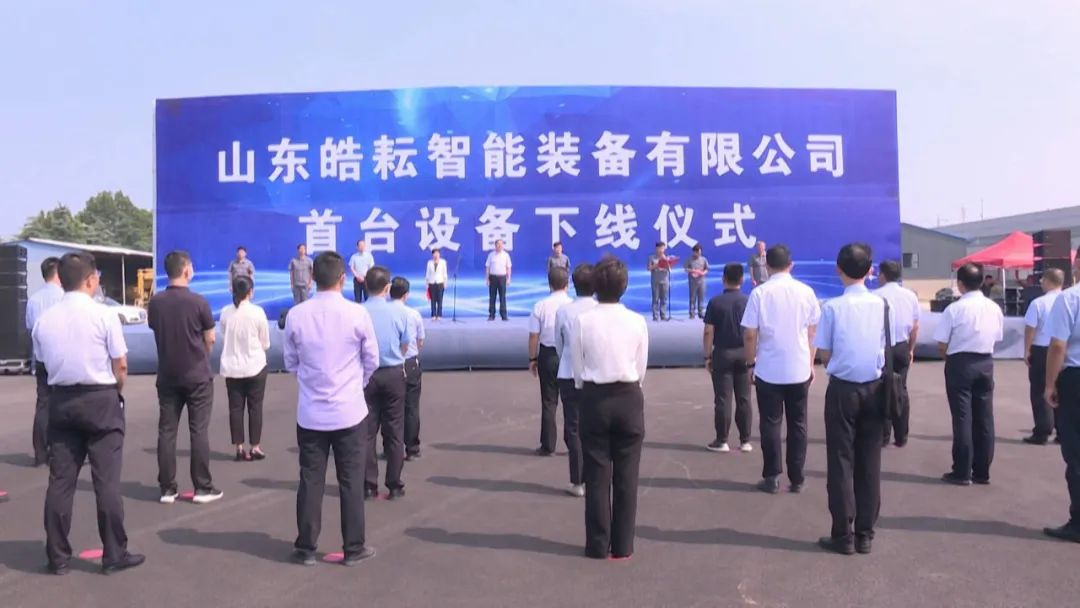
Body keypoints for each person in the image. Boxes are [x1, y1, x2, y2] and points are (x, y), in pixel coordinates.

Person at [32, 252, 144, 575]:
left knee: (60, 481)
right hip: (100, 399)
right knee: (106, 481)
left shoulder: (44, 321)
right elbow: (120, 364)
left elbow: (44, 363)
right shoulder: (103, 315)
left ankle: (57, 556)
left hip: (62, 401)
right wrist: (116, 390)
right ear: (90, 280)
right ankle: (114, 553)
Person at [284, 251, 379, 566]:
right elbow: (372, 360)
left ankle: (306, 547)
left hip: (312, 413)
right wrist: (355, 384)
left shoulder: (297, 315)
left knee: (311, 480)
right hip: (349, 412)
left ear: (312, 278)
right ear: (343, 278)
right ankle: (354, 547)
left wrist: (312, 382)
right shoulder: (357, 314)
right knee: (351, 480)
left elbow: (290, 362)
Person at [571, 256, 648, 560]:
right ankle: (623, 545)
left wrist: (588, 385)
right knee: (627, 476)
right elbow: (641, 367)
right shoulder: (637, 321)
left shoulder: (583, 321)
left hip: (595, 397)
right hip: (629, 396)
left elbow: (578, 368)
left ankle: (598, 545)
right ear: (624, 286)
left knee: (596, 474)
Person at [814, 243, 888, 556]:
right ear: (870, 270)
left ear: (838, 269)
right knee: (870, 462)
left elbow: (824, 351)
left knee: (841, 461)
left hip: (843, 390)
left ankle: (843, 534)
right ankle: (865, 534)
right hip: (875, 388)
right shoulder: (882, 304)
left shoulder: (832, 307)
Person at [741, 244, 821, 494]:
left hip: (768, 370)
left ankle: (772, 476)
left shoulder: (759, 293)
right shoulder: (806, 292)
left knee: (770, 423)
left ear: (766, 266)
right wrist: (810, 362)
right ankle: (797, 478)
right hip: (799, 369)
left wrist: (750, 363)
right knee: (798, 423)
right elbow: (813, 331)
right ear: (791, 265)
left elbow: (750, 334)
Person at [148, 251, 223, 504]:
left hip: (167, 375)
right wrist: (202, 356)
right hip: (197, 376)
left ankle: (167, 488)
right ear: (186, 270)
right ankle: (202, 487)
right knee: (198, 430)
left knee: (167, 431)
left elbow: (155, 329)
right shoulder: (198, 302)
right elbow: (210, 337)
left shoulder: (156, 303)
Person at [933, 263, 1005, 486]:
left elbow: (942, 344)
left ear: (960, 284)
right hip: (985, 361)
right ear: (982, 282)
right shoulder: (994, 307)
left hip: (960, 362)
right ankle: (982, 471)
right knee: (984, 418)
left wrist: (950, 358)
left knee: (963, 417)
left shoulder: (954, 309)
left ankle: (962, 471)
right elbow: (997, 337)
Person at [362, 266, 414, 500]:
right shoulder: (399, 312)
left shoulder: (358, 312)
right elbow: (406, 344)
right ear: (387, 288)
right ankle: (394, 484)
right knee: (394, 432)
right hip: (393, 373)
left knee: (366, 432)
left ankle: (368, 485)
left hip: (366, 375)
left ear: (366, 285)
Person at [555, 263, 598, 497]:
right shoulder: (600, 309)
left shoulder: (564, 311)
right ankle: (596, 477)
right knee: (595, 426)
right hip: (595, 375)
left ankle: (578, 481)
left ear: (573, 283)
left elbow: (558, 344)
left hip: (569, 373)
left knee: (573, 427)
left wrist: (568, 359)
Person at [703, 263, 753, 453]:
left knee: (723, 399)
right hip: (744, 353)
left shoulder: (715, 302)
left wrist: (707, 356)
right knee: (744, 398)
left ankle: (722, 440)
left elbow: (708, 331)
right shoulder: (748, 301)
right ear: (742, 279)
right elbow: (753, 331)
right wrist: (753, 355)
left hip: (723, 353)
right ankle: (745, 441)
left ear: (723, 279)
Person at [220, 275, 271, 461]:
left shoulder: (226, 312)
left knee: (235, 408)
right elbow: (265, 342)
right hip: (255, 366)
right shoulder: (257, 312)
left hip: (232, 367)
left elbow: (224, 334)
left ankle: (239, 448)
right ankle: (255, 446)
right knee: (255, 407)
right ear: (250, 292)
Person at [874, 260, 921, 447]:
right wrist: (911, 349)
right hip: (901, 346)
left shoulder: (875, 296)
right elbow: (915, 326)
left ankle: (883, 436)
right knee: (901, 390)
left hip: (881, 347)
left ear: (883, 275)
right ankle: (902, 435)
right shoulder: (910, 296)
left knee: (881, 390)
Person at [528, 267, 573, 457]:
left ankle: (548, 445)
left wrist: (532, 358)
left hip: (548, 355)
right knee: (571, 402)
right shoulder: (572, 305)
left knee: (549, 401)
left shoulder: (540, 305)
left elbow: (533, 336)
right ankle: (574, 444)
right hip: (569, 355)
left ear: (549, 284)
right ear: (567, 284)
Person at [25, 256, 63, 467]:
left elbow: (30, 328)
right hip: (61, 359)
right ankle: (61, 451)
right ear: (58, 273)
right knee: (65, 404)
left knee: (43, 405)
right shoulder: (64, 298)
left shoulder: (33, 299)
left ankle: (40, 453)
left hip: (40, 358)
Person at [1024, 268, 1065, 445]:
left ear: (1048, 281)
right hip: (1065, 349)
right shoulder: (1069, 300)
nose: (1041, 282)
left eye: (1042, 279)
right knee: (1062, 389)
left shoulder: (1038, 303)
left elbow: (1030, 328)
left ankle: (1042, 430)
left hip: (1042, 349)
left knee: (1040, 389)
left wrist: (1026, 350)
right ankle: (1063, 431)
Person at [391, 277, 425, 461]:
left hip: (389, 364)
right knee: (411, 408)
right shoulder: (413, 314)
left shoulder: (383, 313)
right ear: (406, 294)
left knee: (389, 410)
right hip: (410, 363)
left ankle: (391, 449)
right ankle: (412, 448)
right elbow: (420, 341)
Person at [486, 240, 512, 321]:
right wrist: (487, 279)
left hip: (502, 278)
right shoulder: (491, 255)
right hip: (493, 277)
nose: (500, 246)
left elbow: (508, 267)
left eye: (501, 244)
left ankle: (504, 315)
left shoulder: (506, 255)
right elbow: (487, 267)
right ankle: (491, 315)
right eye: (498, 244)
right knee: (492, 297)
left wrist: (508, 278)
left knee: (502, 297)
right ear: (495, 245)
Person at [647, 241, 670, 321]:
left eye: (663, 248)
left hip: (665, 280)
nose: (661, 250)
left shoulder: (666, 258)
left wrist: (666, 262)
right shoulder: (652, 258)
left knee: (664, 299)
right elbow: (648, 268)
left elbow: (669, 269)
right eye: (660, 248)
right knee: (655, 299)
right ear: (656, 249)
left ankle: (663, 315)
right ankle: (655, 316)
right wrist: (656, 265)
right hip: (655, 281)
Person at [685, 244, 709, 319]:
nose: (699, 254)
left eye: (700, 252)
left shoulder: (704, 259)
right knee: (692, 297)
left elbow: (707, 269)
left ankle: (701, 313)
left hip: (701, 281)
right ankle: (692, 313)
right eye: (697, 252)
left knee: (701, 297)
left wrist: (703, 273)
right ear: (694, 252)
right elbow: (685, 268)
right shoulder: (689, 259)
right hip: (693, 281)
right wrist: (693, 271)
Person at [425, 248, 448, 320]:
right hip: (431, 283)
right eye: (434, 253)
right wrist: (427, 284)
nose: (436, 255)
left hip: (440, 282)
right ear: (432, 255)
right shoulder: (429, 263)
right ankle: (433, 315)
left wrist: (445, 283)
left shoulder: (443, 262)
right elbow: (427, 274)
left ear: (439, 254)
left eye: (437, 253)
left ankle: (439, 315)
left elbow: (445, 273)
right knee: (433, 300)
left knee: (440, 300)